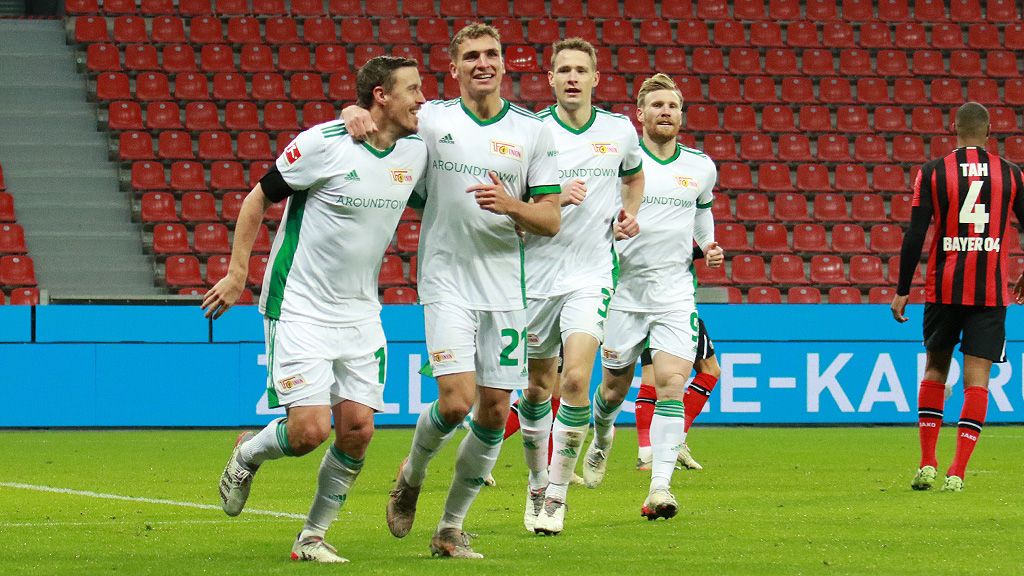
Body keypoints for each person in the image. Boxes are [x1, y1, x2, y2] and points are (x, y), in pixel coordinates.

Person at [343, 23, 561, 558]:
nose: (482, 63)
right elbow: (377, 121)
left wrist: (512, 205)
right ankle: (412, 475)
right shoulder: (433, 118)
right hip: (446, 280)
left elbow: (551, 219)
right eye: (471, 56)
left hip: (507, 288)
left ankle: (449, 529)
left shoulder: (534, 132)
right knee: (457, 400)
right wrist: (352, 115)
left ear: (505, 64)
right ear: (455, 66)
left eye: (491, 54)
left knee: (493, 411)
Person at [204, 56, 428, 563]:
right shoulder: (324, 144)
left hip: (361, 312)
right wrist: (238, 272)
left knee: (358, 430)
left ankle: (311, 538)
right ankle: (248, 453)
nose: (421, 100)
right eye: (412, 90)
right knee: (308, 432)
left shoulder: (417, 149)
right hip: (300, 305)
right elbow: (256, 198)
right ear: (380, 96)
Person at [516, 37, 644, 536]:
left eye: (580, 70)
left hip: (592, 275)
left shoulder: (618, 131)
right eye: (563, 69)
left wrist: (628, 214)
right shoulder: (531, 132)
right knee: (535, 389)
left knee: (574, 382)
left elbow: (634, 178)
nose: (572, 77)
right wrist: (550, 199)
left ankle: (556, 495)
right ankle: (534, 480)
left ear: (595, 78)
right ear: (550, 79)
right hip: (536, 278)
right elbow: (511, 205)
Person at [581, 73, 723, 520]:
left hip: (675, 294)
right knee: (612, 388)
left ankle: (660, 487)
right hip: (622, 291)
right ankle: (602, 433)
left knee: (672, 385)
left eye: (673, 106)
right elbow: (592, 214)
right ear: (639, 114)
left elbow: (702, 218)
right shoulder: (620, 161)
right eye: (656, 105)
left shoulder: (700, 166)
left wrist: (709, 247)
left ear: (681, 115)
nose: (666, 112)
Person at [892, 101, 1024, 493]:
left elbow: (915, 235)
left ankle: (927, 462)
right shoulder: (1013, 175)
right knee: (977, 379)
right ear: (990, 130)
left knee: (935, 369)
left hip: (944, 287)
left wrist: (902, 290)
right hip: (989, 292)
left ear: (953, 128)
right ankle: (957, 472)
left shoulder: (932, 173)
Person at [635, 315, 720, 471]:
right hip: (680, 312)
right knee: (710, 370)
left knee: (651, 379)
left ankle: (646, 453)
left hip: (648, 312)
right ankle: (676, 442)